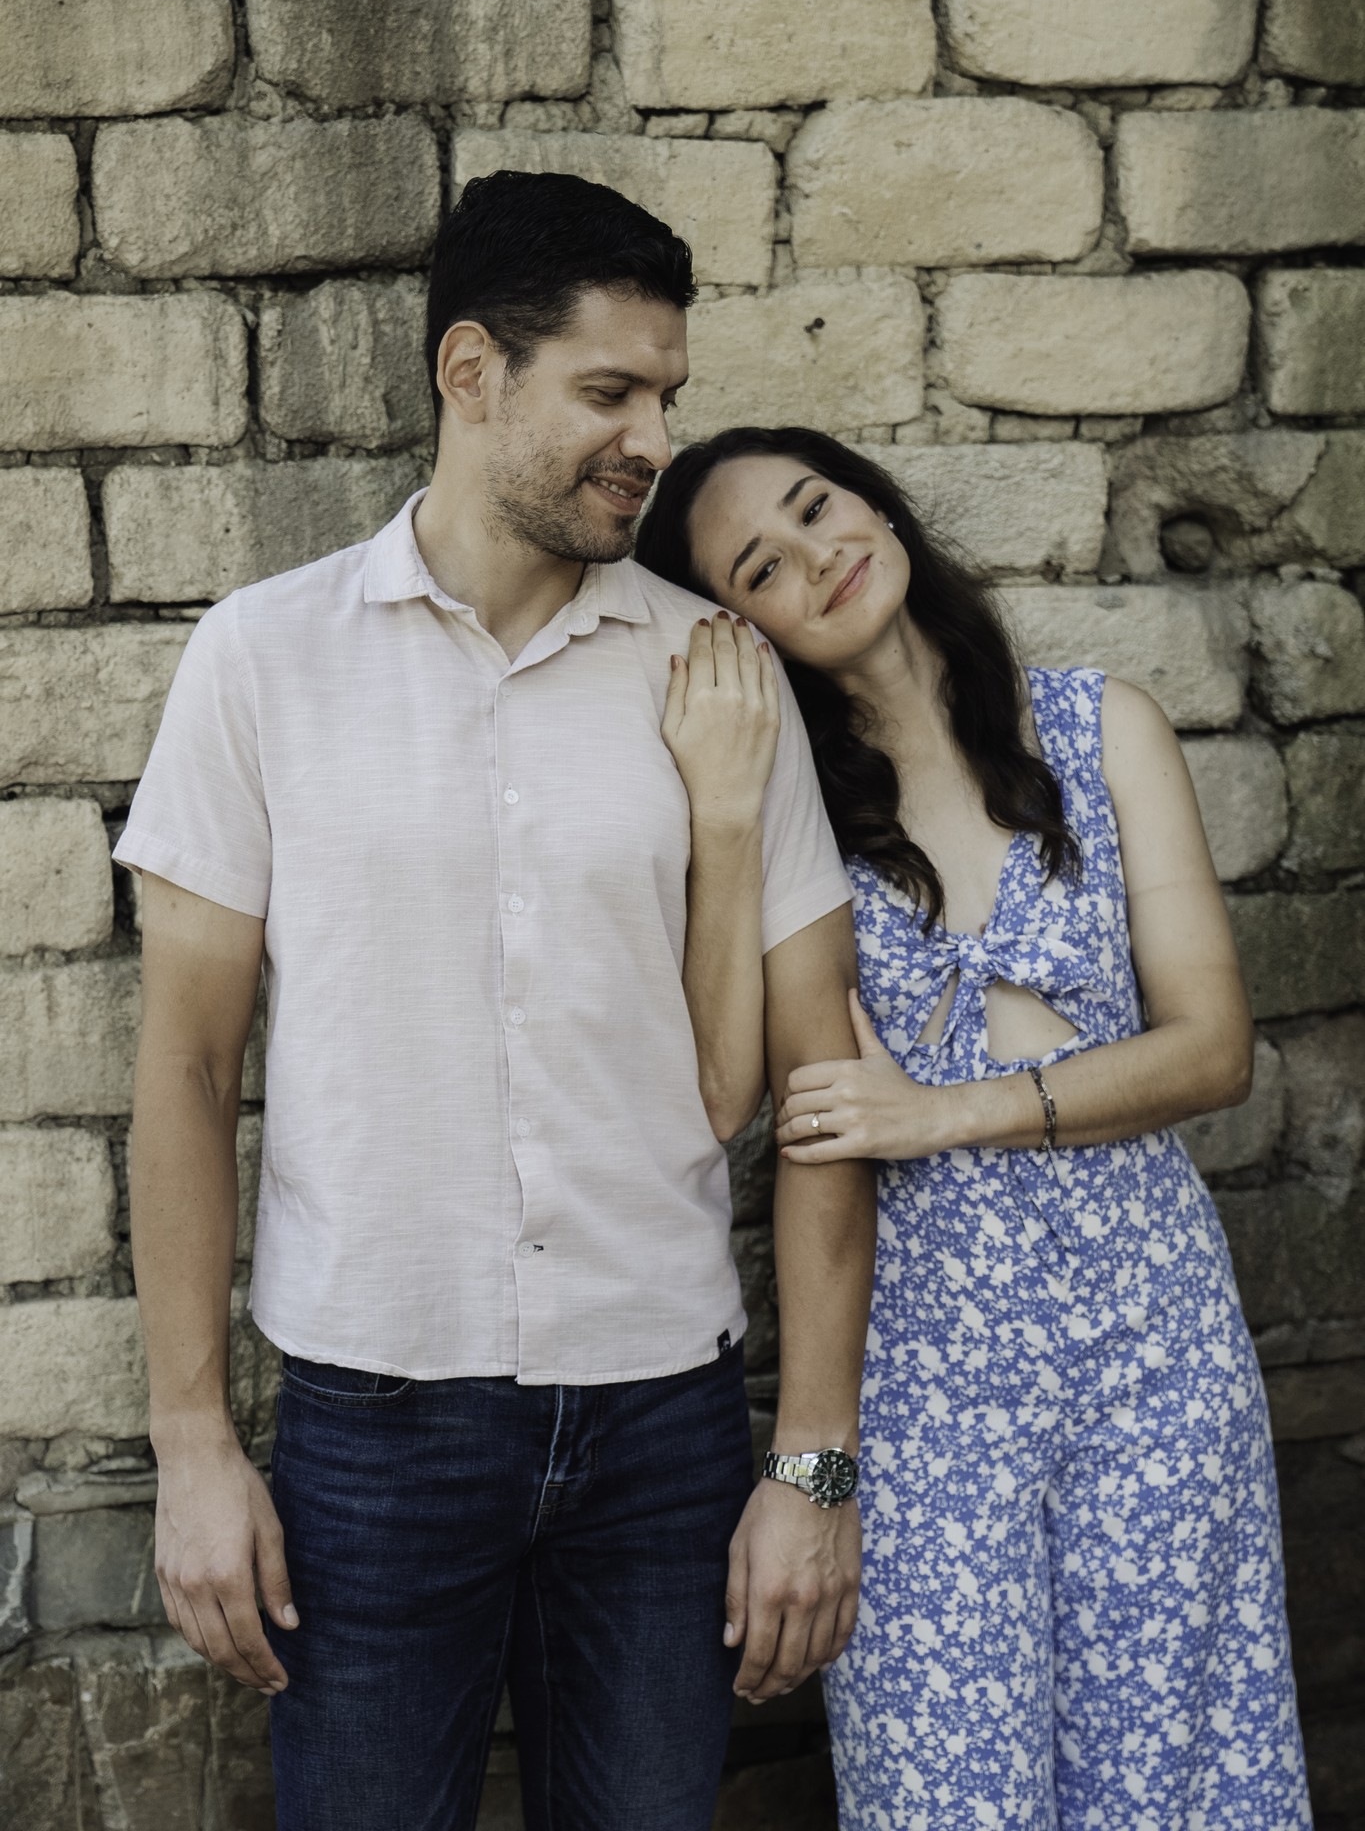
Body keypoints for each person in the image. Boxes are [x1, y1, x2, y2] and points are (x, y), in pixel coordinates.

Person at [114, 180, 877, 1831]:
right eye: (608, 392)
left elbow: (825, 1094)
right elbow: (184, 1067)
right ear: (470, 371)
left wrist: (810, 1464)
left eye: (663, 395)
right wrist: (193, 1446)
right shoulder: (263, 658)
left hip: (663, 1421)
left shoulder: (719, 676)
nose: (650, 440)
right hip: (372, 1429)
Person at [634, 425, 1312, 1831]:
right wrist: (726, 815)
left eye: (818, 508)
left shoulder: (1100, 729)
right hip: (929, 1382)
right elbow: (745, 1096)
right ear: (742, 630)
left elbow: (1212, 1049)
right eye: (761, 568)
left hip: (1156, 1349)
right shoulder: (796, 828)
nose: (816, 555)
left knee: (1176, 1788)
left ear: (878, 506)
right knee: (945, 1793)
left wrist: (946, 1114)